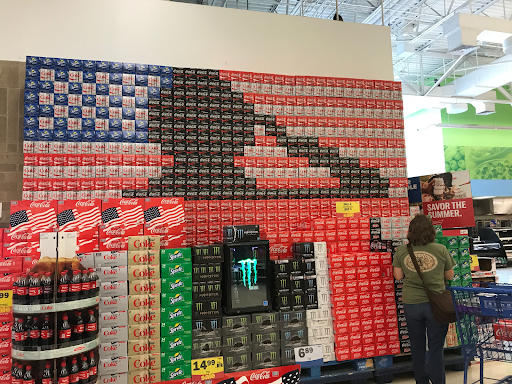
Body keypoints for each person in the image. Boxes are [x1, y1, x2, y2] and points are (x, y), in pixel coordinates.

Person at [393, 215, 455, 384]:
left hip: (411, 303)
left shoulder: (401, 250)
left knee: (417, 345)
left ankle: (421, 381)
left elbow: (398, 276)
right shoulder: (440, 249)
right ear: (431, 231)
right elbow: (450, 275)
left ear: (410, 231)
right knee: (435, 347)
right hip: (436, 304)